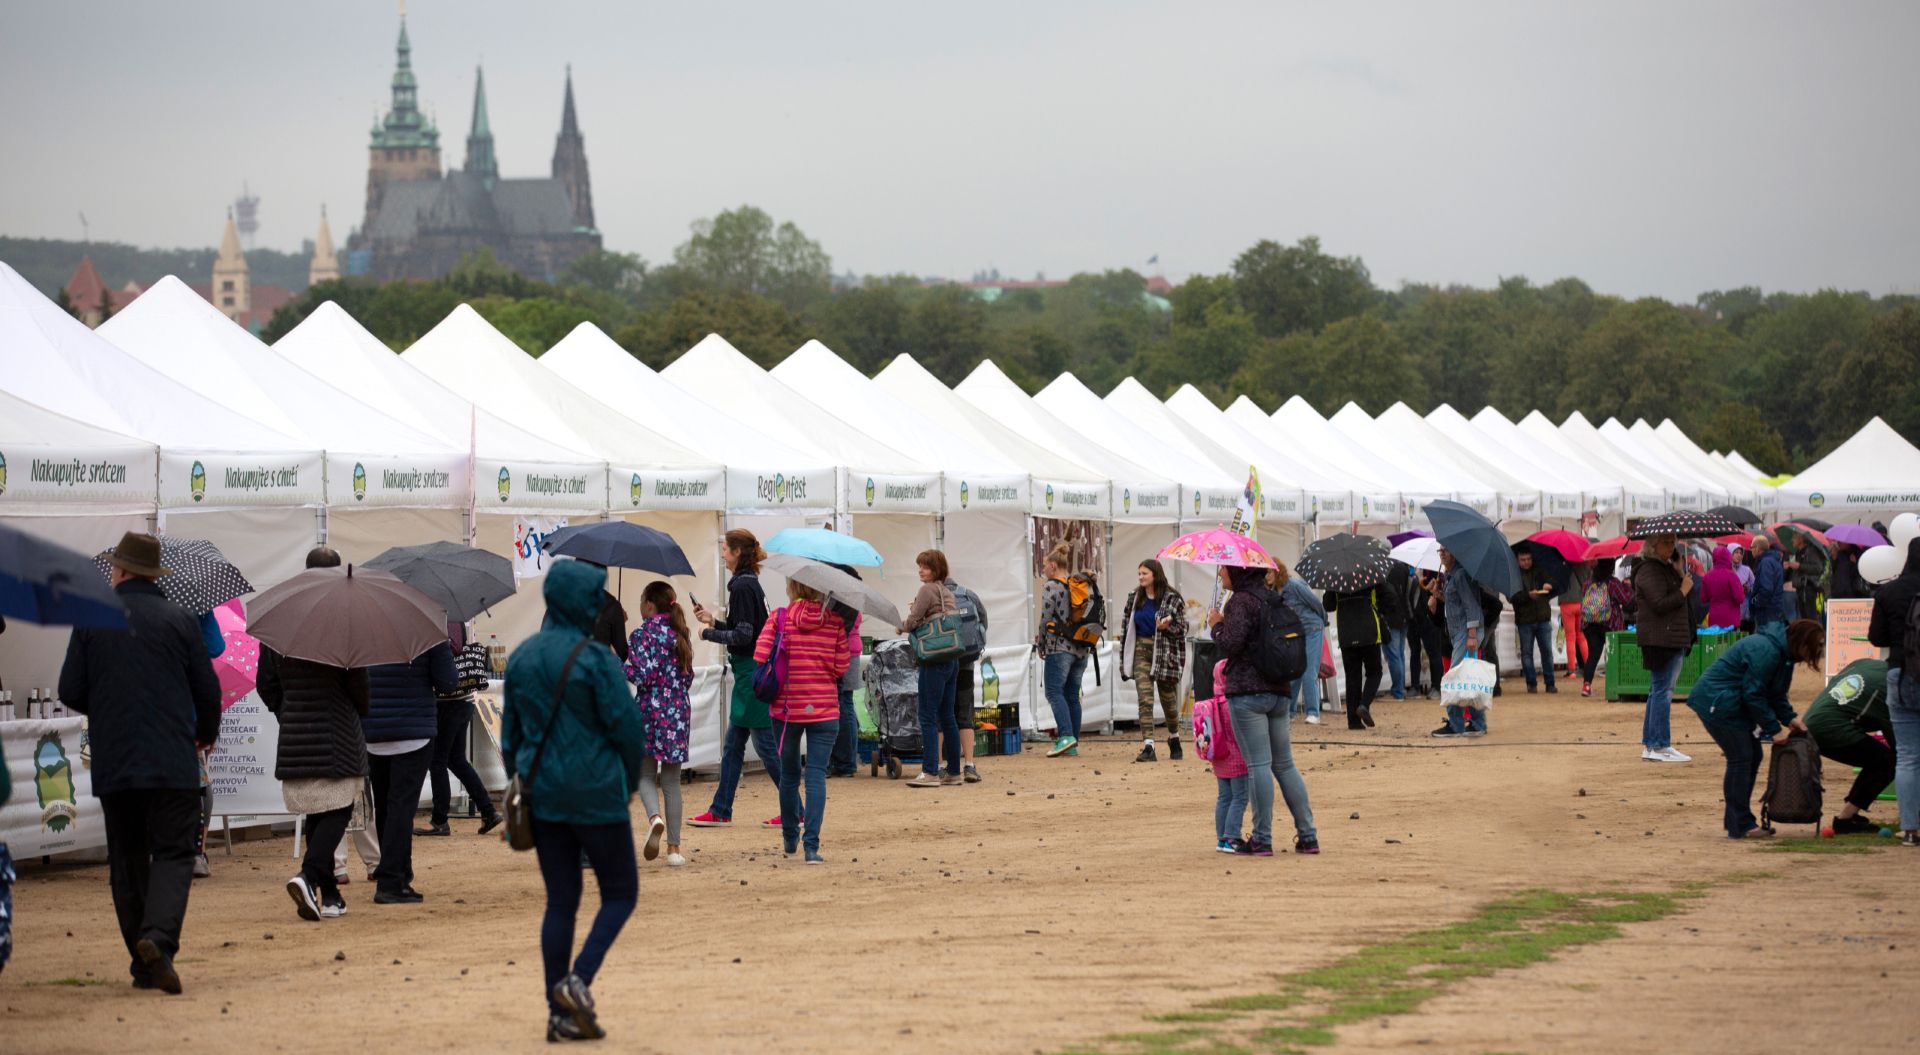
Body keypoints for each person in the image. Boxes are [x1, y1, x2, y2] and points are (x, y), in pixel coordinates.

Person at [58, 532, 222, 994]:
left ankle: (143, 959)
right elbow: (207, 691)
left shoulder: (92, 619)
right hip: (172, 758)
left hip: (117, 759)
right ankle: (158, 940)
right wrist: (204, 734)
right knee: (173, 852)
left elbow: (70, 689)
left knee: (127, 861)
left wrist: (111, 699)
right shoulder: (180, 620)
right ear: (152, 574)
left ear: (122, 570)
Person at [502, 559, 649, 1043]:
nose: (598, 605)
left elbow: (510, 739)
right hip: (597, 793)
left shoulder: (523, 657)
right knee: (621, 893)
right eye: (593, 597)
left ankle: (557, 1012)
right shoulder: (597, 659)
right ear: (579, 602)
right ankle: (577, 981)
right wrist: (626, 785)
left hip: (544, 794)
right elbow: (628, 732)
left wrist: (521, 782)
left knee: (561, 901)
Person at [1208, 564, 1318, 857]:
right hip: (1280, 690)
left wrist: (1217, 624)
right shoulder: (1272, 596)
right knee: (1284, 765)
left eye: (1224, 570)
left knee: (1258, 765)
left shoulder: (1241, 602)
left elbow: (1230, 644)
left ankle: (1261, 838)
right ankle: (1308, 835)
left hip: (1248, 692)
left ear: (1238, 571)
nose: (1221, 574)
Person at [258, 643, 370, 921]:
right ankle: (308, 876)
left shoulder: (277, 633)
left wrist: (289, 712)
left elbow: (266, 685)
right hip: (339, 733)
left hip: (295, 734)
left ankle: (331, 896)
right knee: (340, 807)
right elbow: (361, 693)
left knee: (317, 812)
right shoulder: (343, 633)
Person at [1684, 620, 1822, 838]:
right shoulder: (1767, 651)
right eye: (1811, 650)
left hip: (1731, 703)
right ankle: (1740, 824)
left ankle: (1739, 822)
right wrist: (1774, 729)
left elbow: (1776, 694)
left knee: (1752, 754)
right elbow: (1754, 694)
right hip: (1717, 702)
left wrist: (1791, 719)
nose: (1809, 657)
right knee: (1741, 756)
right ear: (1802, 643)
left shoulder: (1783, 655)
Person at [298, 546, 383, 889]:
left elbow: (268, 684)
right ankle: (373, 861)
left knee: (317, 802)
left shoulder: (289, 612)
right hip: (343, 724)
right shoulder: (348, 615)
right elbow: (359, 677)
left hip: (301, 726)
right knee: (352, 797)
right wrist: (359, 708)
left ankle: (334, 868)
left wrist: (286, 710)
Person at [757, 579, 851, 862]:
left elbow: (760, 656)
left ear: (793, 587)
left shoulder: (779, 618)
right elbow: (841, 666)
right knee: (816, 775)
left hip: (786, 710)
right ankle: (811, 847)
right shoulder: (834, 622)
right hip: (824, 708)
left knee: (788, 775)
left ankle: (789, 839)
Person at [690, 529, 777, 829]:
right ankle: (721, 808)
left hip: (749, 674)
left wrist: (708, 633)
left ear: (738, 552)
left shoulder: (741, 587)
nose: (723, 553)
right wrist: (714, 621)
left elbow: (743, 635)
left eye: (726, 549)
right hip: (750, 673)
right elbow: (747, 628)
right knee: (734, 747)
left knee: (765, 747)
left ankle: (796, 809)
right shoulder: (750, 584)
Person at [363, 632, 457, 904]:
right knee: (401, 807)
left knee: (385, 806)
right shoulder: (428, 631)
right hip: (413, 731)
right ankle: (391, 880)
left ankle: (399, 872)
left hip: (374, 731)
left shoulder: (367, 629)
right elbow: (448, 683)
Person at [624, 582, 695, 867]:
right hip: (678, 711)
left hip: (649, 711)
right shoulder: (681, 634)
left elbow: (643, 676)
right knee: (672, 781)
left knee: (643, 774)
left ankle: (654, 817)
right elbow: (688, 677)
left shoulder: (642, 634)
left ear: (649, 604)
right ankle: (674, 850)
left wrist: (619, 664)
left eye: (641, 600)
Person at [415, 624, 502, 839]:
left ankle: (440, 820)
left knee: (438, 760)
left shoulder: (445, 617)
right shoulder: (456, 617)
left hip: (449, 701)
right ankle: (488, 811)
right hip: (462, 699)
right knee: (456, 760)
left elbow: (452, 647)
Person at [1867, 537, 1920, 846]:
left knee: (1909, 756)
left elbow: (1877, 638)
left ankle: (1911, 828)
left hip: (1901, 674)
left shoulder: (1889, 592)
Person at [1803, 659, 1896, 835]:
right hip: (1832, 728)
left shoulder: (1864, 663)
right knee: (1887, 761)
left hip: (1811, 723)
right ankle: (1845, 819)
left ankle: (1848, 817)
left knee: (1878, 760)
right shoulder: (1891, 688)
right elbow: (1900, 744)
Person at [1632, 533, 1695, 764]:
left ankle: (1652, 744)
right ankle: (1659, 745)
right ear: (1653, 545)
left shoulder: (1664, 568)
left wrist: (1679, 573)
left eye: (1673, 542)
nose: (1672, 546)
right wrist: (1683, 589)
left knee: (1658, 690)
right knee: (1662, 691)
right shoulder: (1650, 570)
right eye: (1667, 542)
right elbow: (1659, 603)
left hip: (1668, 636)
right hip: (1661, 638)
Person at [903, 550, 962, 788]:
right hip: (952, 658)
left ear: (935, 569)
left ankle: (930, 772)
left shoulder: (927, 590)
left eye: (925, 567)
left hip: (933, 658)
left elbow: (915, 619)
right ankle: (954, 771)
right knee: (948, 715)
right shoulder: (947, 591)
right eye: (919, 566)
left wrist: (902, 626)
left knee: (927, 715)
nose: (920, 570)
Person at [1119, 558, 1187, 761]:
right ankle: (1149, 746)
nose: (1140, 577)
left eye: (1144, 573)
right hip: (1141, 650)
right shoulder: (1134, 597)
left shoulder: (1172, 598)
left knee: (1168, 700)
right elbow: (1126, 626)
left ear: (1155, 575)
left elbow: (1183, 628)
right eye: (1139, 573)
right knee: (1145, 699)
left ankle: (1174, 737)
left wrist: (1168, 626)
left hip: (1164, 653)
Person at [1037, 543, 1091, 757]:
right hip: (1082, 648)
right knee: (1071, 694)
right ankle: (1073, 742)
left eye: (1044, 566)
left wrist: (1041, 643)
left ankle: (1066, 736)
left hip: (1059, 647)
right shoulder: (1078, 585)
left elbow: (1045, 618)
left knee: (1053, 691)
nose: (1043, 570)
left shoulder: (1052, 587)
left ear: (1052, 565)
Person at [1432, 547, 1487, 737]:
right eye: (1441, 550)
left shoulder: (1461, 574)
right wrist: (1439, 597)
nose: (1443, 553)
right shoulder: (1451, 575)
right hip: (1459, 633)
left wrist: (1472, 635)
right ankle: (1478, 723)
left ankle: (1456, 724)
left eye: (1448, 550)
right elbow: (1457, 603)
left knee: (1454, 678)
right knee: (1467, 679)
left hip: (1466, 632)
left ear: (1456, 553)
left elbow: (1471, 605)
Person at [1193, 660, 1247, 853]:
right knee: (1240, 797)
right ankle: (1232, 837)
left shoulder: (1214, 703)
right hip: (1237, 758)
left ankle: (1222, 838)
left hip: (1219, 757)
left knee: (1224, 797)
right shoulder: (1233, 704)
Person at [1321, 580, 1385, 730]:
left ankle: (1353, 721)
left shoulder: (1337, 579)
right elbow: (1389, 598)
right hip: (1369, 632)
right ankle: (1364, 704)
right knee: (1375, 672)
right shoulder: (1370, 575)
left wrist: (1332, 588)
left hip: (1347, 634)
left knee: (1352, 677)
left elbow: (1328, 606)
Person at [946, 573, 989, 782]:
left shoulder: (931, 595)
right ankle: (969, 765)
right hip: (966, 662)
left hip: (941, 663)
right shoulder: (968, 594)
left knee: (941, 716)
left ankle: (940, 766)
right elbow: (983, 622)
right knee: (965, 713)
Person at [825, 563, 866, 779]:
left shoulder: (846, 598)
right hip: (851, 651)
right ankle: (847, 759)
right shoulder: (854, 596)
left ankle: (845, 761)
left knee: (843, 704)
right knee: (846, 704)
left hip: (844, 652)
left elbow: (838, 626)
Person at [1273, 562, 1328, 723]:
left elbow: (1315, 603)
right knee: (1293, 672)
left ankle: (1313, 713)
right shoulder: (1274, 592)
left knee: (1308, 672)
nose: (1267, 576)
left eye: (1269, 573)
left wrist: (1323, 621)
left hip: (1312, 629)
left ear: (1278, 572)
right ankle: (1289, 712)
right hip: (1295, 633)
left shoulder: (1295, 585)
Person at [1577, 558, 1634, 697]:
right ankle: (1616, 685)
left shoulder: (1587, 583)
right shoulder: (1613, 583)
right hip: (1610, 623)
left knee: (1593, 655)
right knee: (1614, 656)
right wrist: (1629, 587)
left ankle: (1586, 686)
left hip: (1590, 624)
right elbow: (1627, 600)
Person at [1511, 549, 1557, 694]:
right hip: (1524, 619)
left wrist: (1549, 585)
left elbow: (1553, 582)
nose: (1526, 562)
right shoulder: (1514, 576)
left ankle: (1550, 683)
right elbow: (1512, 597)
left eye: (1528, 559)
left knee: (1547, 652)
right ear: (1517, 560)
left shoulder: (1540, 569)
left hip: (1543, 617)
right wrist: (1527, 596)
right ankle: (1531, 683)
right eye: (1523, 559)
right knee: (1526, 653)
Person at [1406, 568, 1446, 698]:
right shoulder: (1415, 574)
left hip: (1430, 619)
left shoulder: (1436, 572)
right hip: (1414, 618)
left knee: (1434, 653)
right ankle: (1415, 686)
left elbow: (1437, 594)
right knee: (1414, 652)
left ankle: (1437, 686)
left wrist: (1426, 586)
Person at [1381, 561, 1411, 700]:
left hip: (1392, 617)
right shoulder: (1403, 568)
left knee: (1394, 655)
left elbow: (1388, 596)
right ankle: (1401, 689)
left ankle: (1397, 691)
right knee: (1399, 654)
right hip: (1404, 615)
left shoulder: (1384, 569)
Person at [1558, 559, 1592, 682]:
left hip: (1566, 602)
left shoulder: (1561, 566)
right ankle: (1589, 667)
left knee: (1570, 637)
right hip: (1581, 602)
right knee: (1582, 637)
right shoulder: (1585, 565)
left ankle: (1572, 670)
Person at [1699, 545, 1747, 631]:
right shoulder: (1732, 576)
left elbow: (1703, 598)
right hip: (1731, 619)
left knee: (1717, 643)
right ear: (1728, 557)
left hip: (1714, 618)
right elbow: (1740, 598)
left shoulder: (1707, 576)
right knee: (1731, 643)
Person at [1786, 532, 1828, 622]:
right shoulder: (1798, 552)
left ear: (1801, 539)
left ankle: (1815, 635)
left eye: (1794, 537)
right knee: (1804, 619)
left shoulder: (1811, 550)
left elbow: (1818, 568)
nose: (1791, 540)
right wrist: (1789, 566)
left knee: (1811, 619)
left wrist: (1799, 566)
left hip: (1810, 590)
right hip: (1801, 589)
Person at [1748, 535, 1786, 630]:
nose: (1751, 550)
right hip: (1773, 609)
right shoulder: (1773, 561)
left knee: (1764, 638)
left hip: (1766, 611)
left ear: (1757, 548)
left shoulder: (1766, 562)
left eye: (1751, 547)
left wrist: (1756, 602)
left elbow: (1767, 589)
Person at [1730, 544, 1756, 633]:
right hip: (1730, 611)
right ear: (1730, 553)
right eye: (1736, 552)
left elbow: (1755, 587)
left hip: (1744, 612)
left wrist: (1748, 589)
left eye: (1741, 553)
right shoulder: (1726, 570)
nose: (1739, 555)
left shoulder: (1747, 570)